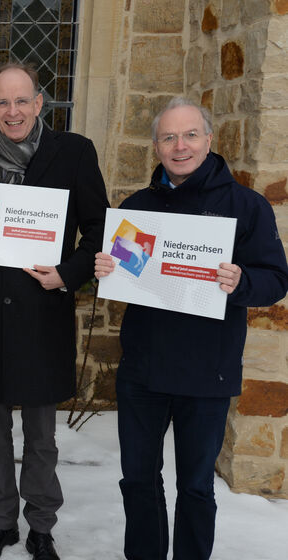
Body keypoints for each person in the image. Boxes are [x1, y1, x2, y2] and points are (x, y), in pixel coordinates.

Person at [94, 98, 288, 560]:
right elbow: (127, 274)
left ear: (209, 139)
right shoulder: (138, 209)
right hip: (142, 372)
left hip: (208, 374)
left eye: (190, 135)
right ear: (157, 146)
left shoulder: (246, 205)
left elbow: (276, 279)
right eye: (168, 137)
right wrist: (105, 267)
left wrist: (243, 281)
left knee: (197, 487)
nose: (180, 147)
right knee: (138, 480)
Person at [0, 62, 109, 560]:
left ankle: (40, 525)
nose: (12, 111)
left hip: (43, 317)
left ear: (39, 103)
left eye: (21, 101)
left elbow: (100, 231)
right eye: (2, 102)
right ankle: (1, 523)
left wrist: (69, 272)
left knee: (41, 437)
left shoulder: (74, 153)